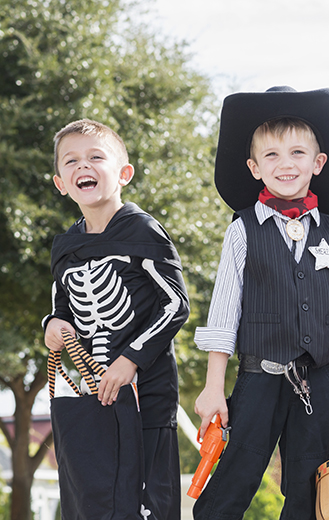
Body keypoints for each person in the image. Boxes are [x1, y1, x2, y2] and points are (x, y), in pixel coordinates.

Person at [192, 87, 329, 519]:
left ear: (318, 163)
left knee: (308, 485)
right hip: (259, 377)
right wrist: (213, 388)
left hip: (322, 379)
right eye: (271, 156)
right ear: (254, 168)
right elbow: (224, 314)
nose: (286, 164)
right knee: (237, 473)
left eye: (297, 152)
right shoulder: (242, 231)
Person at [44, 118, 189, 520]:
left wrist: (130, 361)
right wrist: (51, 328)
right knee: (95, 503)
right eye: (70, 161)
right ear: (60, 182)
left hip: (147, 397)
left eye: (95, 157)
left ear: (123, 173)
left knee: (147, 505)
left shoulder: (143, 230)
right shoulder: (66, 247)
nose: (82, 166)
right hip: (96, 401)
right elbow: (60, 310)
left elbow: (176, 304)